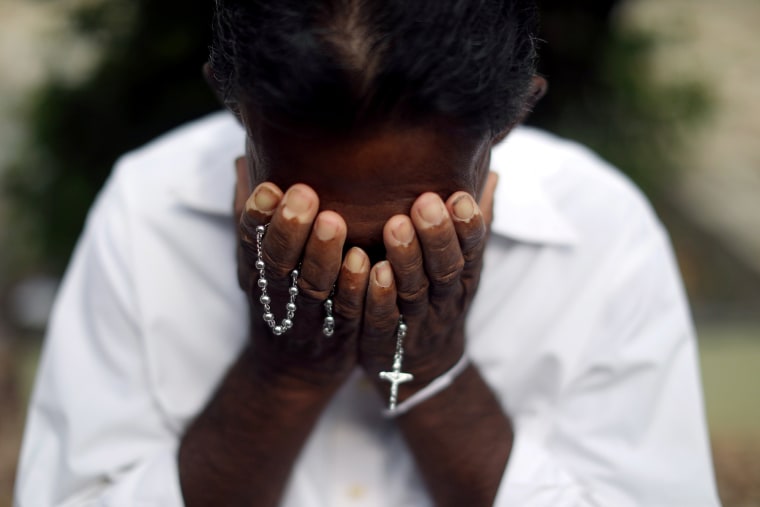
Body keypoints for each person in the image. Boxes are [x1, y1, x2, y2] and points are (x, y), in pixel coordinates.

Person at [15, 1, 720, 506]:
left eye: (404, 233)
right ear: (235, 108)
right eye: (309, 216)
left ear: (509, 122)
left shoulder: (602, 232)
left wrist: (434, 370)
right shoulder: (147, 210)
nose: (360, 275)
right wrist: (281, 372)